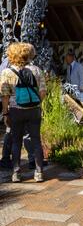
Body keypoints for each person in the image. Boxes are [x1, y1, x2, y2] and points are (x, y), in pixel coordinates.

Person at [0, 43, 47, 183]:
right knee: (36, 140)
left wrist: (5, 113)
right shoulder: (36, 70)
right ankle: (39, 173)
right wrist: (37, 103)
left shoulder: (7, 72)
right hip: (34, 110)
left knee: (16, 141)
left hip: (16, 110)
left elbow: (5, 96)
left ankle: (16, 173)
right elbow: (43, 91)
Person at [0, 57, 36, 170]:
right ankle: (31, 161)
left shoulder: (7, 66)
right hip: (21, 106)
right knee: (20, 134)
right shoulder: (29, 67)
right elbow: (4, 93)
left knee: (13, 133)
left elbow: (5, 93)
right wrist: (5, 112)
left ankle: (11, 163)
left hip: (14, 106)